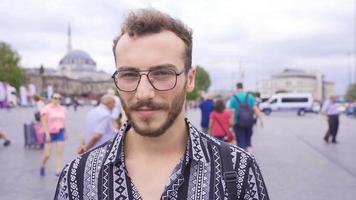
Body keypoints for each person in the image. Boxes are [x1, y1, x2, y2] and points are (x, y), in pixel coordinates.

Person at [55, 9, 269, 200]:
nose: (144, 93)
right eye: (129, 74)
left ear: (190, 78)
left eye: (162, 73)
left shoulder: (238, 171)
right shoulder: (76, 178)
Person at [229, 82, 263, 152]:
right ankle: (249, 156)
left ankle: (242, 159)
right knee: (248, 141)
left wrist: (230, 123)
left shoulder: (234, 97)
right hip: (249, 122)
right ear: (243, 87)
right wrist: (261, 120)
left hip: (237, 122)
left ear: (236, 88)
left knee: (240, 142)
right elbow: (255, 108)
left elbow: (231, 111)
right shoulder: (249, 96)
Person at [40, 93, 67, 176]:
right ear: (51, 98)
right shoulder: (46, 109)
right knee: (47, 154)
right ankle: (42, 165)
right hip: (49, 133)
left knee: (59, 153)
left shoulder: (63, 109)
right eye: (55, 98)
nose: (57, 100)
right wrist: (47, 134)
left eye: (59, 98)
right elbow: (44, 123)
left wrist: (66, 132)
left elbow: (63, 121)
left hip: (60, 132)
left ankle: (58, 171)